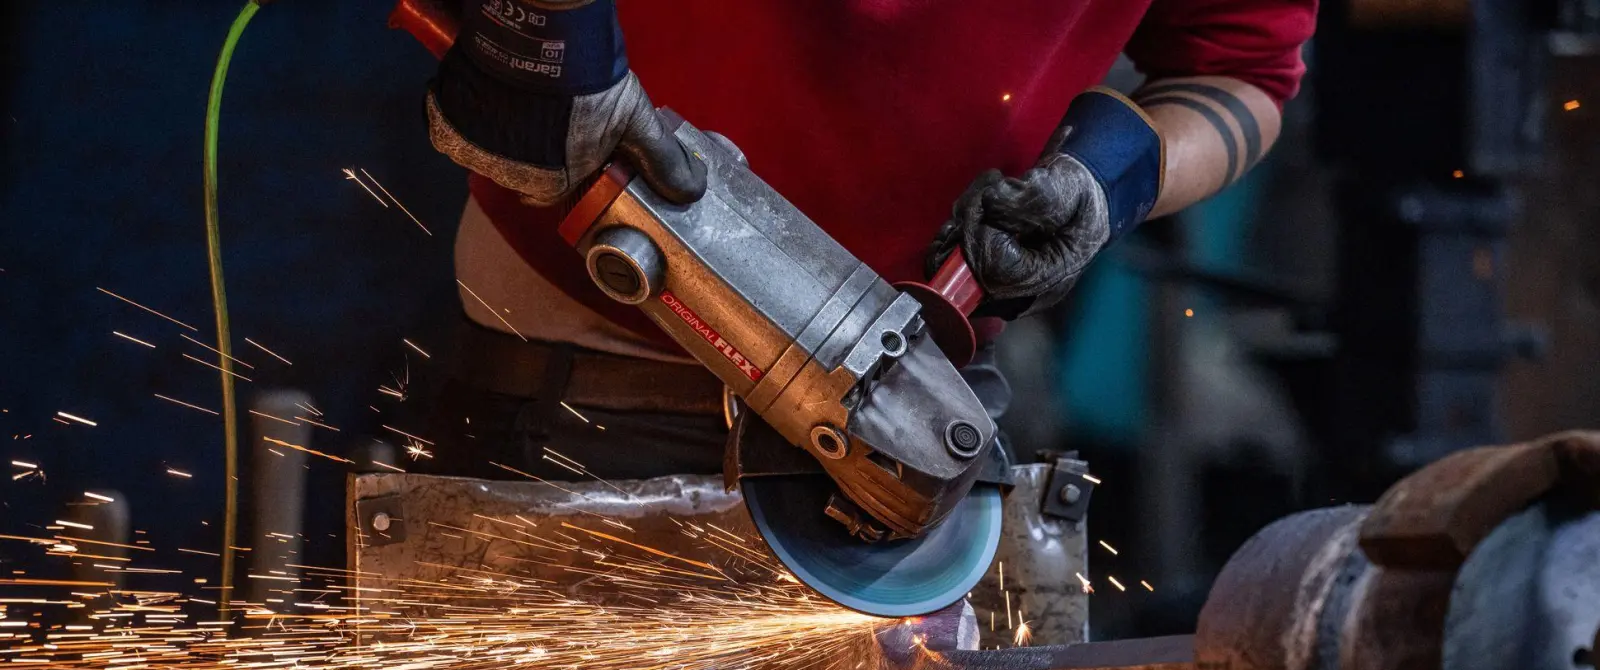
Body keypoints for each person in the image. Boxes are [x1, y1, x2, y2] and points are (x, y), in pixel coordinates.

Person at [417, 0, 1317, 483]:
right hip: (582, 359)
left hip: (911, 401)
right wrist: (536, 31)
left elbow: (1238, 69)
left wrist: (1114, 181)